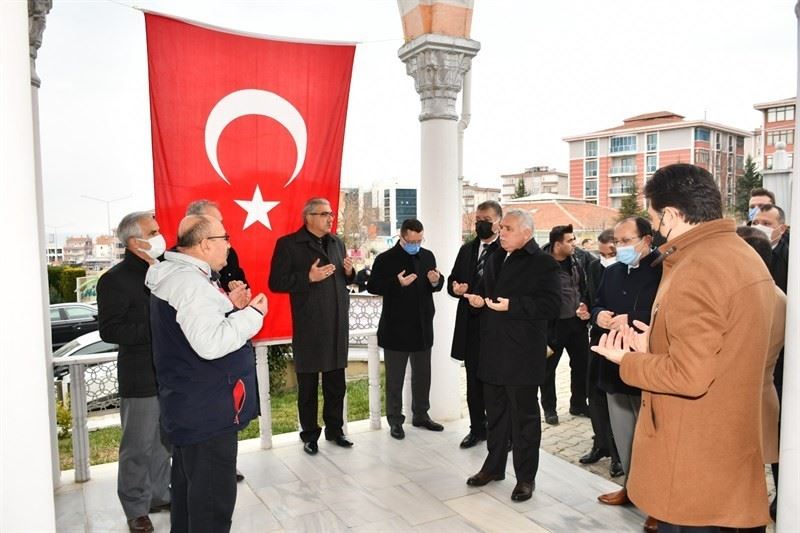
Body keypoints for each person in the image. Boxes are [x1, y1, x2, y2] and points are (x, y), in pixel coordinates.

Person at [592, 163, 775, 531]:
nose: (656, 229)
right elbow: (721, 347)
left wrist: (630, 359)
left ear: (673, 215)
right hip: (724, 450)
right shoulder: (739, 253)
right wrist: (655, 342)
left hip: (692, 461)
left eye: (656, 219)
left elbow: (689, 375)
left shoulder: (698, 266)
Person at [146, 214, 267, 533]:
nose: (229, 244)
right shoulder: (190, 283)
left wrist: (231, 308)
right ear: (204, 244)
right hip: (208, 412)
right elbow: (210, 344)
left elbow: (199, 327)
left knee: (189, 499)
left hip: (190, 406)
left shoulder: (177, 274)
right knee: (212, 506)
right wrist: (253, 315)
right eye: (225, 237)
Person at [462, 209, 561, 502]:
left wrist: (513, 306)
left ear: (526, 233)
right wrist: (478, 300)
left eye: (507, 228)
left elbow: (552, 305)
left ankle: (526, 478)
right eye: (500, 227)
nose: (500, 231)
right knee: (496, 417)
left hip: (521, 356)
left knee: (524, 421)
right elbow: (487, 294)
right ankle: (493, 468)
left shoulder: (543, 263)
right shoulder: (494, 257)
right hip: (492, 352)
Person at [97, 211, 171, 533]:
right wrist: (155, 329)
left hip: (169, 371)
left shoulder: (165, 271)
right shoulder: (114, 280)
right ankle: (135, 508)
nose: (160, 235)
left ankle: (159, 494)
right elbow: (110, 330)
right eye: (153, 231)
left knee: (162, 441)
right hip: (139, 374)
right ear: (134, 241)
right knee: (138, 446)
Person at [590, 218, 662, 533]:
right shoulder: (611, 272)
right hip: (613, 366)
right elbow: (596, 305)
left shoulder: (664, 270)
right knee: (624, 435)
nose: (621, 247)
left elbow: (666, 314)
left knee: (651, 440)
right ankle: (630, 489)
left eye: (626, 240)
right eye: (617, 241)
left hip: (647, 366)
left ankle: (658, 503)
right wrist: (598, 316)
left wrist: (630, 319)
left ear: (647, 239)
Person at [269, 198, 355, 454]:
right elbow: (276, 281)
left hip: (337, 324)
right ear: (308, 217)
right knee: (307, 387)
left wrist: (350, 272)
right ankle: (309, 435)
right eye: (324, 214)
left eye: (331, 214)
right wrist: (308, 277)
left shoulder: (336, 242)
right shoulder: (288, 245)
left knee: (336, 385)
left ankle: (335, 430)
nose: (330, 218)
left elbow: (344, 278)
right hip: (309, 326)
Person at [185, 199, 249, 482]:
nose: (227, 238)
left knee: (227, 416)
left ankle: (225, 465)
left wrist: (236, 293)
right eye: (219, 231)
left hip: (227, 350)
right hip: (199, 362)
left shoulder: (227, 256)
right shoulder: (183, 274)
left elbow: (238, 280)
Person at [368, 218, 445, 439]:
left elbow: (437, 285)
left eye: (419, 240)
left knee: (423, 376)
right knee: (395, 379)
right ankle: (395, 420)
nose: (416, 244)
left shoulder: (428, 255)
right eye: (411, 241)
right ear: (402, 237)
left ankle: (421, 414)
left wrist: (435, 281)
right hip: (396, 329)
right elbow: (372, 285)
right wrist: (396, 283)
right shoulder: (385, 259)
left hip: (423, 327)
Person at [737, 225, 786, 521]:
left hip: (744, 401)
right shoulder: (778, 295)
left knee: (745, 484)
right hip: (762, 397)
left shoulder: (753, 297)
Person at [447, 200, 503, 448]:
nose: (481, 224)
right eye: (478, 219)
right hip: (470, 326)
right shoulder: (467, 249)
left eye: (486, 220)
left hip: (496, 326)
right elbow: (454, 280)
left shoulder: (505, 251)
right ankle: (477, 429)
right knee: (473, 383)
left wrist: (487, 299)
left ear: (499, 222)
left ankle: (501, 432)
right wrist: (455, 287)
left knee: (496, 384)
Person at [579, 228, 623, 479]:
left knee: (614, 399)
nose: (606, 258)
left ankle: (619, 454)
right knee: (594, 395)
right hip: (597, 340)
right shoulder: (595, 268)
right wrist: (587, 310)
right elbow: (590, 297)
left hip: (621, 344)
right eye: (602, 253)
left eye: (612, 253)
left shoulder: (630, 271)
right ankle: (601, 444)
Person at [541, 224, 591, 424]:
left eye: (574, 239)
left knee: (581, 365)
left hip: (576, 324)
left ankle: (578, 404)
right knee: (547, 369)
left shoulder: (578, 260)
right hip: (552, 326)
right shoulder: (541, 264)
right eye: (570, 241)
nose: (574, 244)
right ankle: (549, 408)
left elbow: (584, 287)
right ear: (557, 244)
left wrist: (585, 304)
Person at [752, 203, 789, 292]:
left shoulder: (790, 258)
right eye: (755, 223)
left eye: (766, 223)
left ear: (782, 229)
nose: (758, 227)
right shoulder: (744, 252)